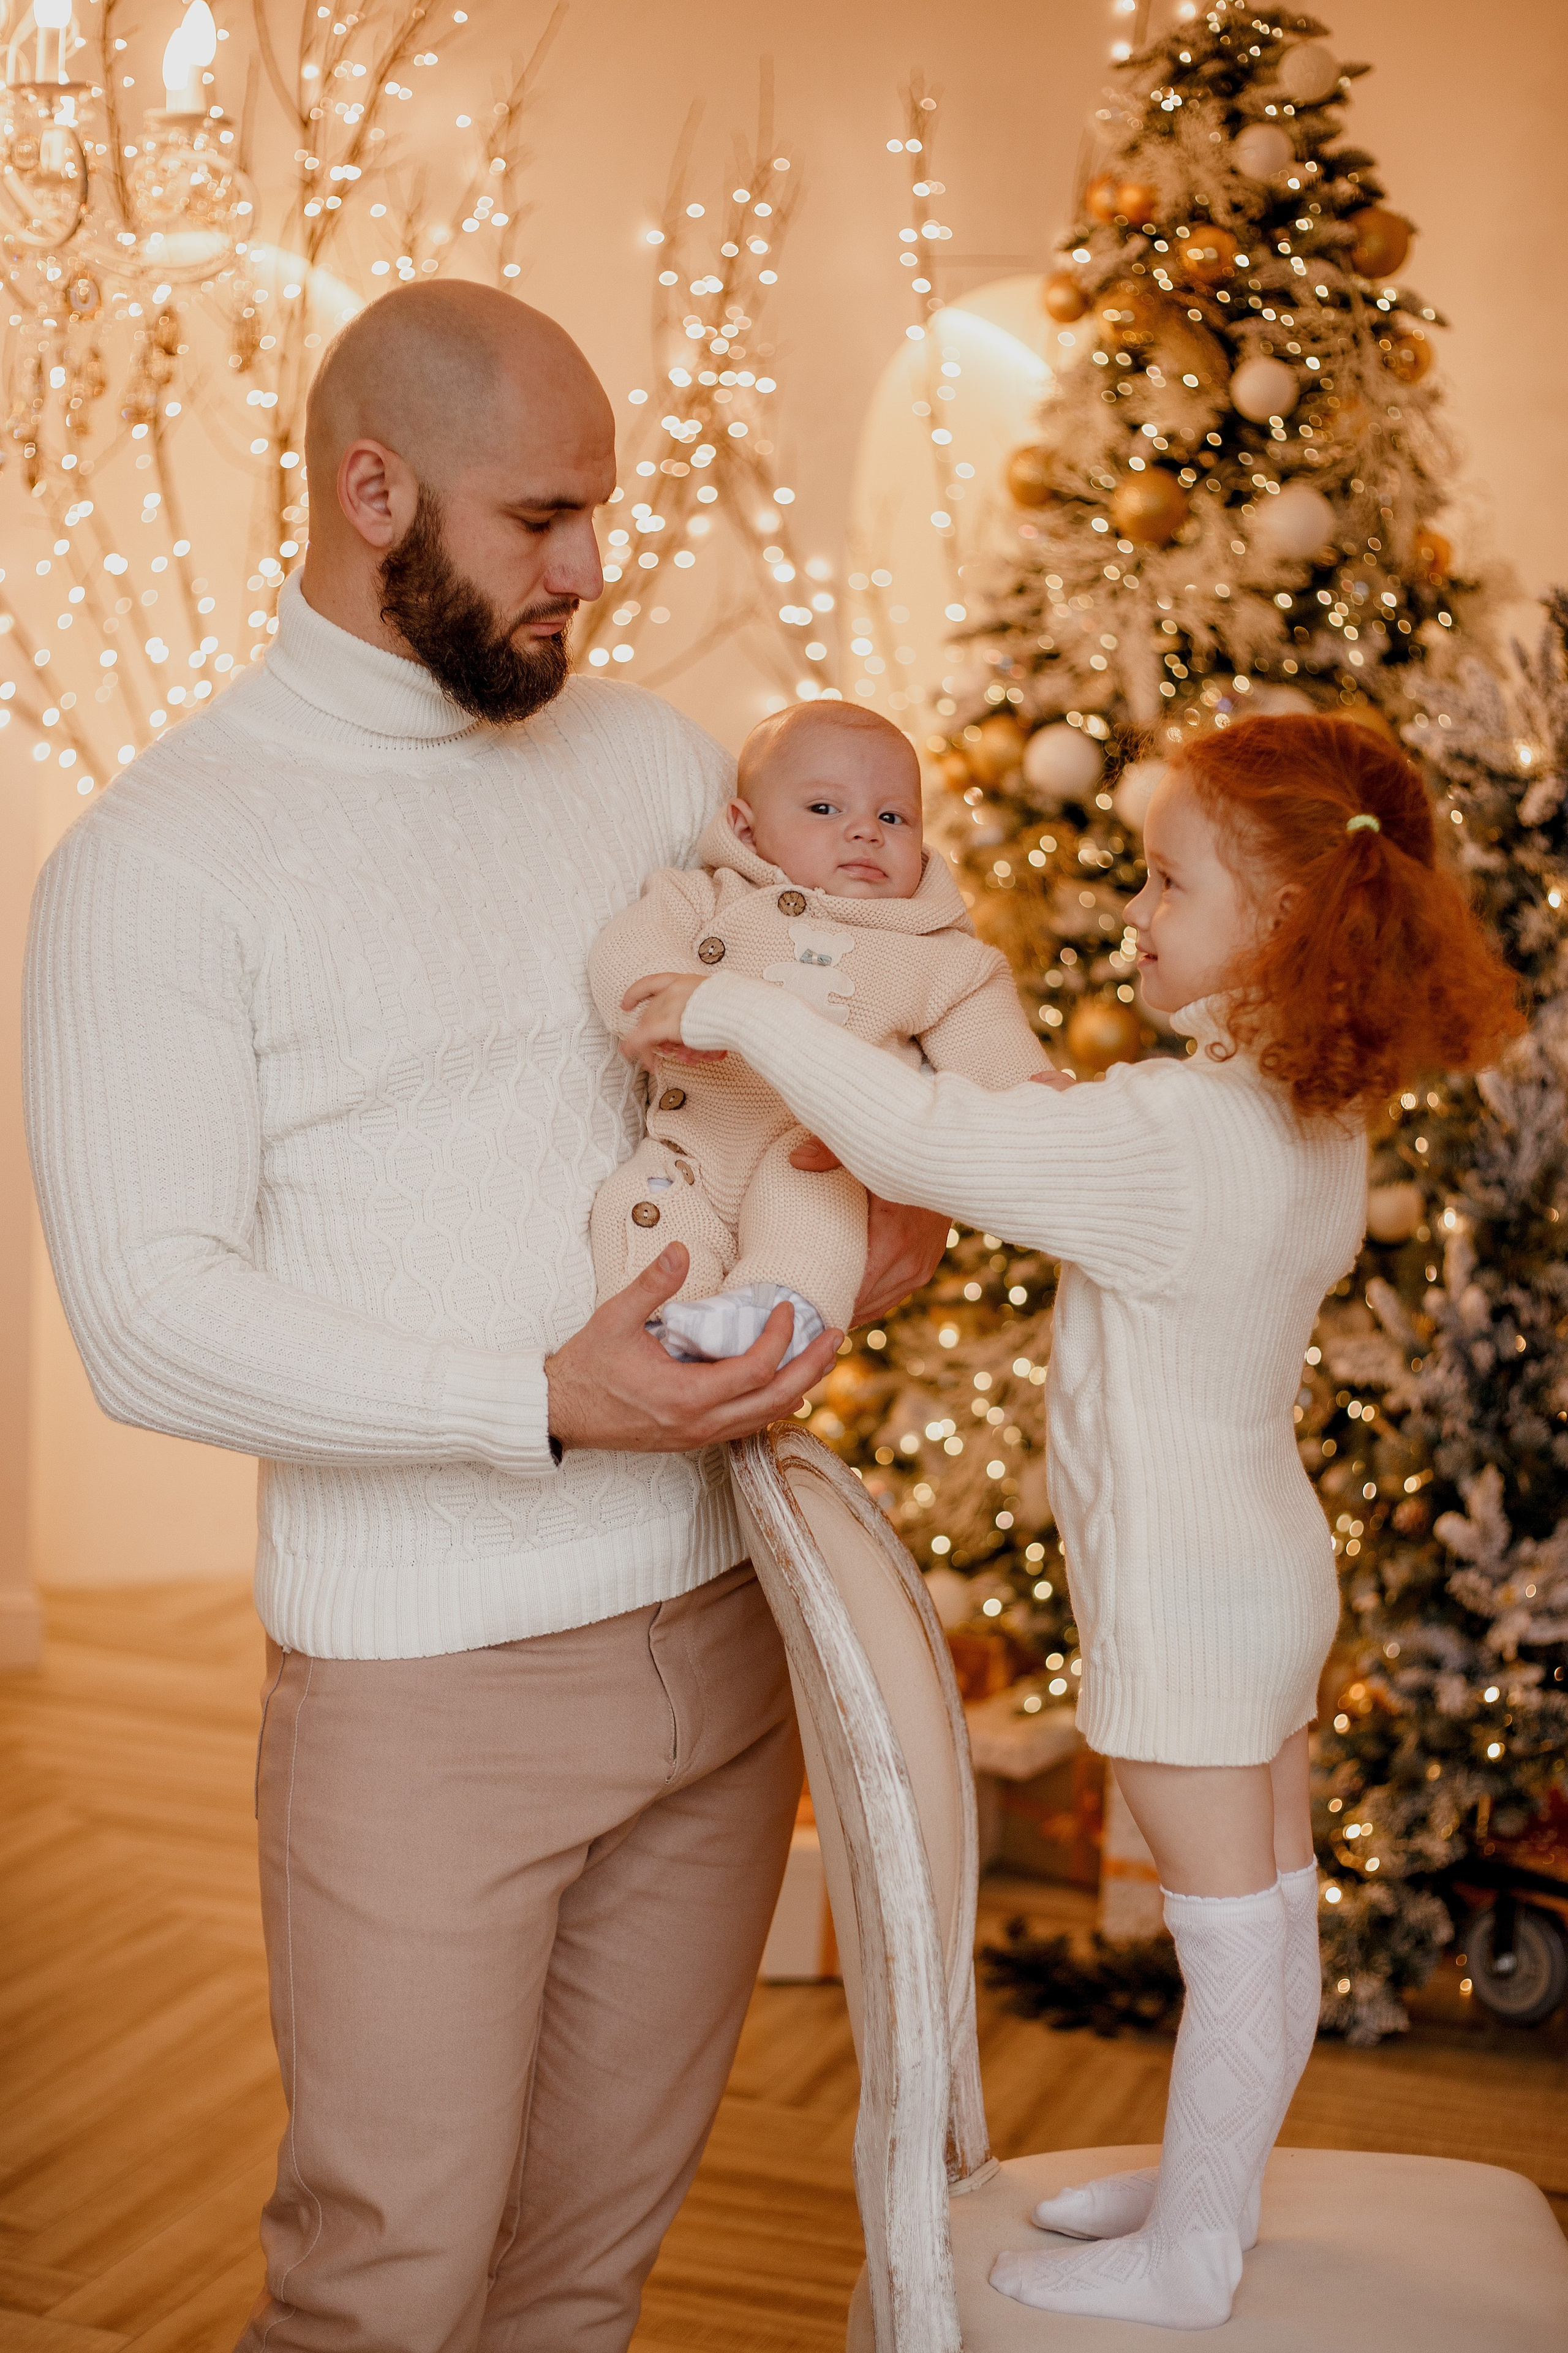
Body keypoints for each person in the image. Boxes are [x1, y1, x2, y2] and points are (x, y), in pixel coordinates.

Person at [21, 281, 947, 2352]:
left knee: (581, 2282)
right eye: (543, 517)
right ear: (375, 493)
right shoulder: (154, 865)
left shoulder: (656, 762)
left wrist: (879, 1208)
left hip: (731, 1629)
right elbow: (148, 1319)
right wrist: (539, 1400)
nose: (590, 570)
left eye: (599, 513)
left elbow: (799, 1055)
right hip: (424, 1701)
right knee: (385, 2290)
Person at [619, 713, 1524, 2332]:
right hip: (1262, 1572)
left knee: (1232, 1939)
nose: (1137, 914)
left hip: (1192, 1604)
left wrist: (732, 996)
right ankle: (1207, 2194)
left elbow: (929, 1142)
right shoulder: (1298, 1117)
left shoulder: (1184, 1140)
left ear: (1285, 927)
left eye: (1170, 883)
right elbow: (1054, 1147)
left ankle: (1191, 2257)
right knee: (1265, 1912)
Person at [589, 699, 1049, 1365]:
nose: (865, 832)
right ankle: (659, 1330)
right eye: (825, 810)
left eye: (892, 817)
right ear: (747, 832)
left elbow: (993, 1050)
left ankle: (778, 1314)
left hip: (815, 1149)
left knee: (813, 1201)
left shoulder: (939, 954)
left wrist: (1034, 1096)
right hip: (689, 1149)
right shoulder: (705, 897)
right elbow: (628, 945)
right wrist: (666, 1001)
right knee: (639, 1200)